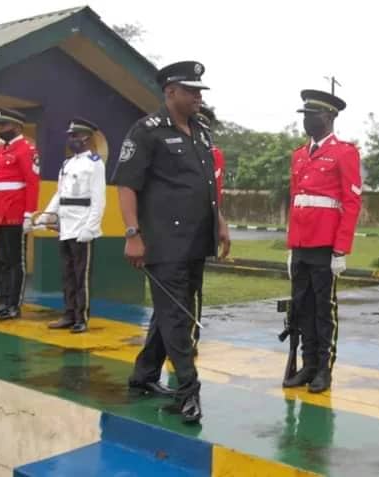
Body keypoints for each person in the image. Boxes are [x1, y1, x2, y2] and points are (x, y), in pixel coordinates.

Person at [110, 60, 231, 424]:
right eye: (191, 90)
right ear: (170, 92)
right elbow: (126, 184)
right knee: (178, 316)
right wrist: (132, 234)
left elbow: (208, 185)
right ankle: (188, 391)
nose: (198, 97)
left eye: (200, 91)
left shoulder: (202, 131)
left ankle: (144, 375)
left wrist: (220, 221)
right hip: (164, 242)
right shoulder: (146, 131)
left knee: (172, 309)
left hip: (197, 239)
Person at [282, 89, 362, 393]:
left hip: (326, 244)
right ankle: (308, 364)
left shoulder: (344, 152)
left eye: (313, 115)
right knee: (301, 307)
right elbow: (295, 200)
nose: (307, 121)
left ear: (329, 117)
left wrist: (341, 248)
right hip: (301, 244)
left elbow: (351, 202)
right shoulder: (299, 155)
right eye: (305, 115)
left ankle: (324, 370)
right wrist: (291, 246)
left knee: (323, 309)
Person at [40, 118, 106, 333]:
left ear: (86, 138)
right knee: (67, 273)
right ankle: (68, 314)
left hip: (82, 225)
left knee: (81, 274)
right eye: (70, 136)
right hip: (66, 225)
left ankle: (81, 317)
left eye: (75, 136)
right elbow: (60, 194)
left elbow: (99, 198)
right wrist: (48, 215)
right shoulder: (66, 164)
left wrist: (91, 227)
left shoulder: (95, 163)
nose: (71, 139)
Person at [0, 108, 40, 320]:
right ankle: (3, 301)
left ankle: (13, 305)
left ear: (16, 126)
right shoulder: (0, 149)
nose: (0, 129)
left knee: (16, 261)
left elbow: (32, 183)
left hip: (15, 211)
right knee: (4, 258)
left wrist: (29, 214)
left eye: (4, 125)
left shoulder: (27, 149)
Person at [190, 103, 226, 352]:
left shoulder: (213, 154)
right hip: (169, 228)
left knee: (192, 285)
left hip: (198, 225)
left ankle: (189, 337)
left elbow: (213, 193)